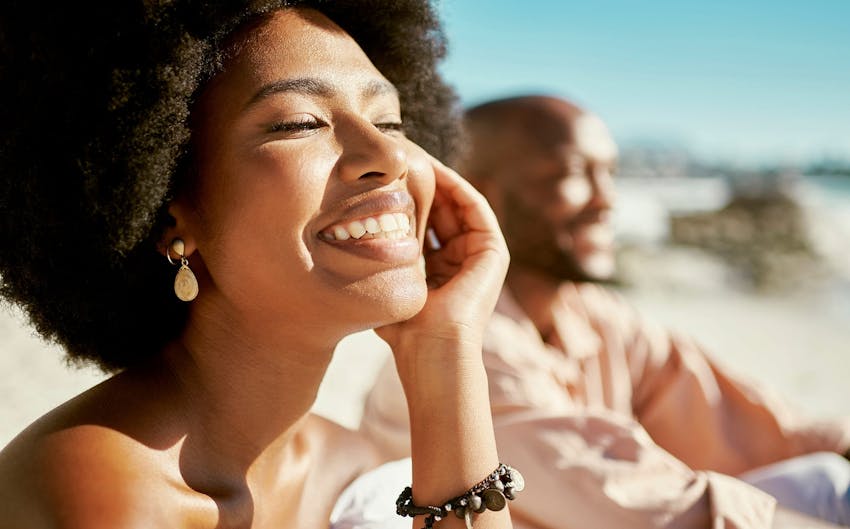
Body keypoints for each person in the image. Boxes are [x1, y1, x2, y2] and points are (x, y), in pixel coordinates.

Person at [0, 3, 516, 529]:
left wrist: (444, 350)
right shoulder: (97, 485)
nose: (390, 153)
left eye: (390, 121)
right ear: (169, 217)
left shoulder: (350, 464)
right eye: (300, 123)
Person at [360, 95, 850, 528]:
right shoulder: (466, 345)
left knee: (827, 478)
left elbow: (747, 419)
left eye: (609, 174)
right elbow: (653, 507)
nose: (606, 200)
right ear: (478, 197)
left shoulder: (592, 315)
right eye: (573, 174)